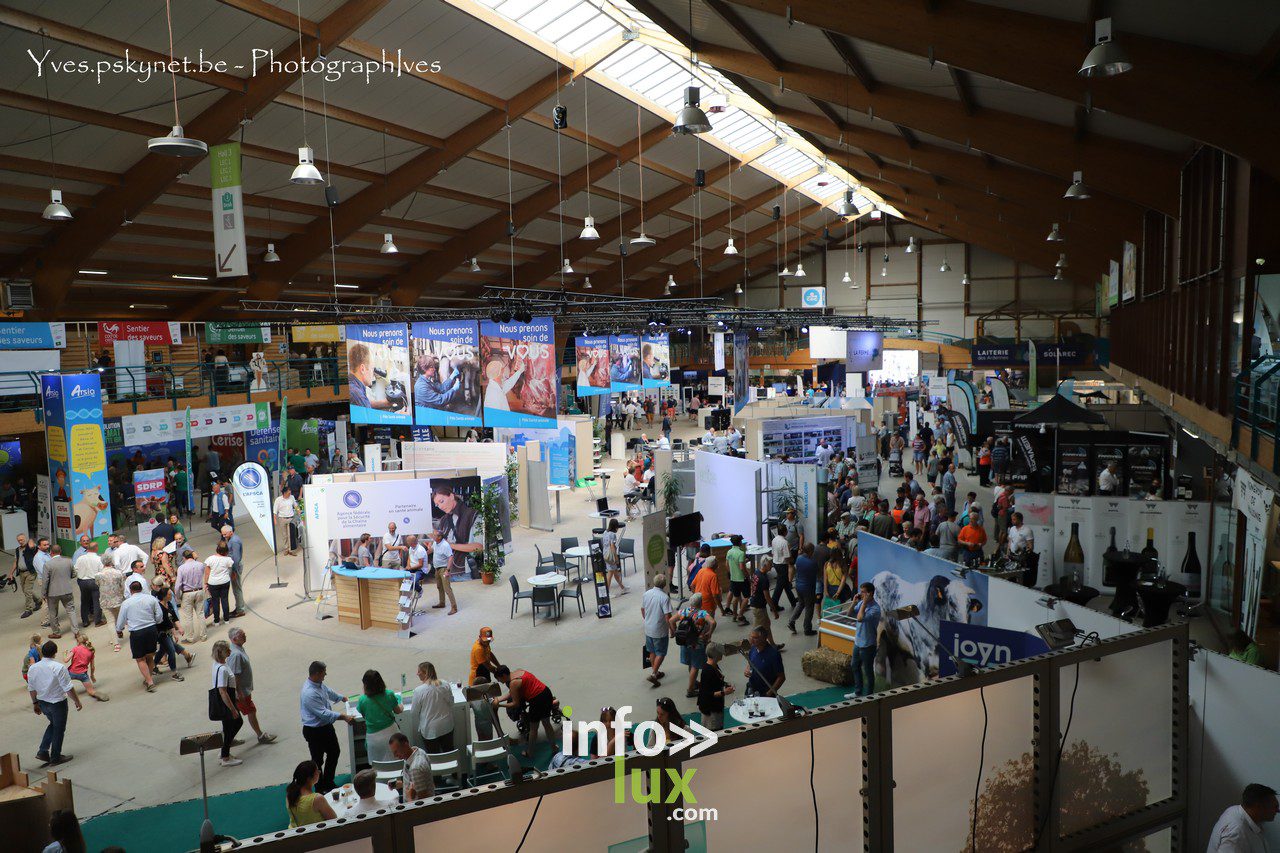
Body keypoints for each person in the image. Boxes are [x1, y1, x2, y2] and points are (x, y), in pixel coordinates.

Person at [300, 660, 354, 793]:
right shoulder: (309, 693)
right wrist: (344, 717)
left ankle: (328, 782)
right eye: (324, 673)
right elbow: (324, 714)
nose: (326, 675)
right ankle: (320, 787)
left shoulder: (318, 684)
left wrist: (342, 698)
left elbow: (328, 691)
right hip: (314, 731)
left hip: (325, 728)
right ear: (317, 674)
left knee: (334, 752)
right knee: (318, 761)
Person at [28, 640, 82, 766]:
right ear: (55, 653)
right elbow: (68, 687)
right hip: (57, 703)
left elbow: (31, 688)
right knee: (59, 728)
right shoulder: (59, 667)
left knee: (53, 724)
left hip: (42, 701)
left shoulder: (33, 668)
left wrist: (35, 703)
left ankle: (43, 751)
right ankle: (55, 756)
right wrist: (77, 701)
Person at [493, 665, 558, 758]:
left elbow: (515, 704)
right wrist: (498, 699)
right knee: (547, 723)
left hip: (537, 700)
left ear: (503, 675)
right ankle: (554, 747)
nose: (500, 682)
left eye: (499, 679)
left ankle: (530, 752)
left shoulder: (513, 683)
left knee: (533, 729)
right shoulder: (518, 672)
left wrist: (499, 705)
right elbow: (511, 693)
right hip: (546, 693)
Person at [228, 627, 277, 744]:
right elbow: (235, 675)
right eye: (242, 635)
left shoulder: (236, 648)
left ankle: (228, 739)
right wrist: (239, 692)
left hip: (241, 690)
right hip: (241, 691)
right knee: (251, 711)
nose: (245, 636)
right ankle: (260, 735)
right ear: (235, 639)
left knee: (233, 716)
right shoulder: (236, 655)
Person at [116, 581, 162, 692]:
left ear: (131, 591)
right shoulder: (151, 599)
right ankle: (149, 678)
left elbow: (121, 620)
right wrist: (155, 622)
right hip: (151, 629)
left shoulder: (126, 603)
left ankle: (150, 682)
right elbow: (159, 615)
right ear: (141, 588)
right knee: (150, 655)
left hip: (137, 632)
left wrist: (119, 629)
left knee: (140, 658)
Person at [1206, 783, 1278, 852]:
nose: (1278, 810)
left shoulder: (1235, 810)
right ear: (1258, 806)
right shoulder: (1236, 834)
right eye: (1275, 806)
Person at [209, 640, 244, 766]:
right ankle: (225, 756)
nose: (230, 651)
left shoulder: (218, 664)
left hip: (229, 698)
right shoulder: (222, 669)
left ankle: (225, 747)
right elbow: (223, 691)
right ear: (220, 652)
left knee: (229, 727)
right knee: (234, 724)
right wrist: (232, 709)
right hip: (226, 701)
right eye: (227, 650)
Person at [356, 669, 403, 763]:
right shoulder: (389, 694)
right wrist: (401, 704)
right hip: (392, 733)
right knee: (397, 760)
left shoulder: (362, 700)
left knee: (378, 766)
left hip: (373, 738)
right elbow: (398, 711)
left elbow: (364, 715)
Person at [676, 592, 715, 699]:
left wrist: (673, 632)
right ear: (700, 602)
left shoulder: (683, 611)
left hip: (685, 642)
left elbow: (671, 620)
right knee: (695, 666)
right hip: (697, 643)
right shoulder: (702, 613)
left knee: (690, 663)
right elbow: (713, 622)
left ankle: (694, 683)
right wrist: (709, 633)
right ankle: (690, 690)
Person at [411, 661, 456, 752]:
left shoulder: (419, 691)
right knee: (449, 752)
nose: (417, 673)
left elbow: (414, 712)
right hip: (447, 725)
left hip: (430, 730)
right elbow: (451, 703)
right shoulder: (445, 684)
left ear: (425, 673)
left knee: (434, 758)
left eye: (419, 671)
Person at [848, 582, 881, 697]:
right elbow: (849, 613)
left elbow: (860, 618)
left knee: (868, 672)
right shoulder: (861, 602)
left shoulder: (875, 609)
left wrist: (864, 603)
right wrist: (854, 603)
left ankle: (869, 696)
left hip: (868, 645)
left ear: (870, 593)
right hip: (858, 642)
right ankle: (858, 692)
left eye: (863, 592)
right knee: (855, 666)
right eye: (860, 591)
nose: (860, 594)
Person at [153, 586, 193, 680]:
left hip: (167, 632)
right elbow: (166, 622)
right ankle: (174, 673)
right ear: (164, 596)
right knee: (171, 651)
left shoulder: (169, 604)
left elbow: (174, 617)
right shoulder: (159, 608)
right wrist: (175, 633)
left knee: (163, 650)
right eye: (169, 594)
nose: (171, 596)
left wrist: (180, 628)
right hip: (162, 633)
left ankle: (152, 667)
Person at [642, 573, 673, 688]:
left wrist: (647, 620)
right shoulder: (664, 598)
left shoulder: (646, 594)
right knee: (661, 652)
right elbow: (667, 617)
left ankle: (656, 671)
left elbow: (642, 609)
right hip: (659, 630)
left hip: (648, 628)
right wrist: (672, 629)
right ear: (664, 585)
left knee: (652, 651)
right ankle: (654, 674)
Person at [41, 545, 79, 639]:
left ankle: (56, 632)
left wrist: (43, 593)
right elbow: (74, 574)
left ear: (51, 552)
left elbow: (45, 580)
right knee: (71, 611)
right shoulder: (68, 561)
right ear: (60, 551)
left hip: (52, 593)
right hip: (67, 590)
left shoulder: (48, 564)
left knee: (53, 613)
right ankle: (76, 631)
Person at [285, 760, 337, 827]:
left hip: (296, 831)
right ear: (309, 778)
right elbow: (334, 821)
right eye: (317, 771)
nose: (319, 772)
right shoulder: (317, 799)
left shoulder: (289, 795)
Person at [388, 732, 434, 801]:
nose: (395, 756)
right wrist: (401, 784)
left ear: (405, 745)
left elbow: (423, 803)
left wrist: (409, 797)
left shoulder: (415, 769)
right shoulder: (419, 751)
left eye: (396, 751)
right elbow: (415, 783)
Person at [697, 643, 733, 731]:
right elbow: (708, 694)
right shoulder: (707, 671)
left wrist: (725, 684)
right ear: (715, 655)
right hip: (711, 710)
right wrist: (724, 692)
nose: (722, 654)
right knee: (715, 731)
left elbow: (715, 682)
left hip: (715, 706)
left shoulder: (713, 666)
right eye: (720, 652)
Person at [175, 548, 208, 643]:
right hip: (199, 590)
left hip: (187, 592)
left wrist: (177, 596)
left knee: (188, 616)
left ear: (184, 558)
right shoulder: (200, 565)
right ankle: (203, 635)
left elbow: (178, 585)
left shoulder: (181, 568)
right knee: (200, 614)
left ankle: (190, 637)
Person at [788, 542, 820, 637]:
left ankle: (791, 621)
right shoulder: (812, 563)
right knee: (809, 608)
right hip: (808, 588)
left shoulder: (799, 558)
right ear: (810, 551)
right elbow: (818, 573)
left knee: (801, 604)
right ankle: (807, 629)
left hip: (799, 586)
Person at [64, 633, 107, 702]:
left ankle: (62, 691)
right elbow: (92, 667)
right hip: (83, 674)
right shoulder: (91, 651)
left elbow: (66, 660)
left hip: (71, 672)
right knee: (91, 691)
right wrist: (92, 676)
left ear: (78, 641)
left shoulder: (75, 649)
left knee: (60, 679)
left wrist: (64, 654)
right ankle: (94, 693)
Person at [744, 627, 785, 697]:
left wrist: (769, 693)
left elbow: (781, 677)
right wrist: (747, 668)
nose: (751, 640)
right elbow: (750, 660)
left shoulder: (773, 654)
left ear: (764, 639)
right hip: (751, 688)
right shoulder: (753, 648)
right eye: (751, 637)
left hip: (765, 692)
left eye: (755, 638)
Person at [9, 532, 42, 619]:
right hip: (21, 573)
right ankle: (39, 601)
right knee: (25, 590)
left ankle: (28, 610)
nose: (20, 541)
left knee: (27, 590)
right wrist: (11, 573)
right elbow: (16, 562)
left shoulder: (30, 547)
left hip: (30, 572)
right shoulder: (17, 550)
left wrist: (30, 540)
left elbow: (33, 546)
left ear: (26, 539)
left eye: (22, 539)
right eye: (19, 540)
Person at [426, 529, 458, 614]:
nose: (433, 536)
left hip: (444, 569)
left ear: (439, 537)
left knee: (447, 589)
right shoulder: (436, 543)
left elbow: (451, 557)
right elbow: (431, 550)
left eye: (434, 535)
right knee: (439, 587)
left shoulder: (445, 545)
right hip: (437, 568)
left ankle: (454, 608)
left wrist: (447, 570)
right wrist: (423, 554)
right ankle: (442, 603)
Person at [204, 542, 235, 626]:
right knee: (225, 600)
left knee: (215, 601)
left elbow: (207, 573)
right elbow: (231, 570)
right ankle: (226, 619)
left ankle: (216, 621)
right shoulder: (228, 559)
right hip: (225, 581)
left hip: (213, 583)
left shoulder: (210, 559)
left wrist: (205, 583)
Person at [222, 525, 246, 617]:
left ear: (231, 532)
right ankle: (239, 607)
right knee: (236, 588)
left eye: (225, 534)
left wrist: (234, 572)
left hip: (235, 566)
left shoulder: (234, 541)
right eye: (223, 534)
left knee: (237, 588)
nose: (224, 536)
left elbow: (236, 558)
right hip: (233, 565)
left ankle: (240, 610)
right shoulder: (232, 539)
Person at [725, 535, 749, 625]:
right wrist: (747, 576)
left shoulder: (729, 552)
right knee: (746, 598)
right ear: (740, 542)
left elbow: (726, 564)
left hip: (733, 578)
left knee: (735, 596)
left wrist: (731, 573)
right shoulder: (741, 553)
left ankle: (734, 615)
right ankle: (740, 614)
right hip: (742, 578)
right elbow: (742, 567)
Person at [601, 518, 627, 596]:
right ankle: (607, 592)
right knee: (610, 573)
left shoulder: (605, 532)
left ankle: (623, 588)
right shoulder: (613, 535)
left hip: (605, 554)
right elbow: (612, 547)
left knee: (615, 572)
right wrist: (616, 558)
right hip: (611, 556)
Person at [273, 486, 299, 555]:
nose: (289, 494)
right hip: (282, 519)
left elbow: (295, 506)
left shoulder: (292, 497)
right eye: (288, 493)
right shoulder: (278, 500)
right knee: (284, 535)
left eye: (290, 493)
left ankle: (291, 550)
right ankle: (286, 549)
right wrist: (275, 520)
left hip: (291, 518)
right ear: (284, 493)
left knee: (291, 535)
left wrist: (299, 511)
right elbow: (275, 511)